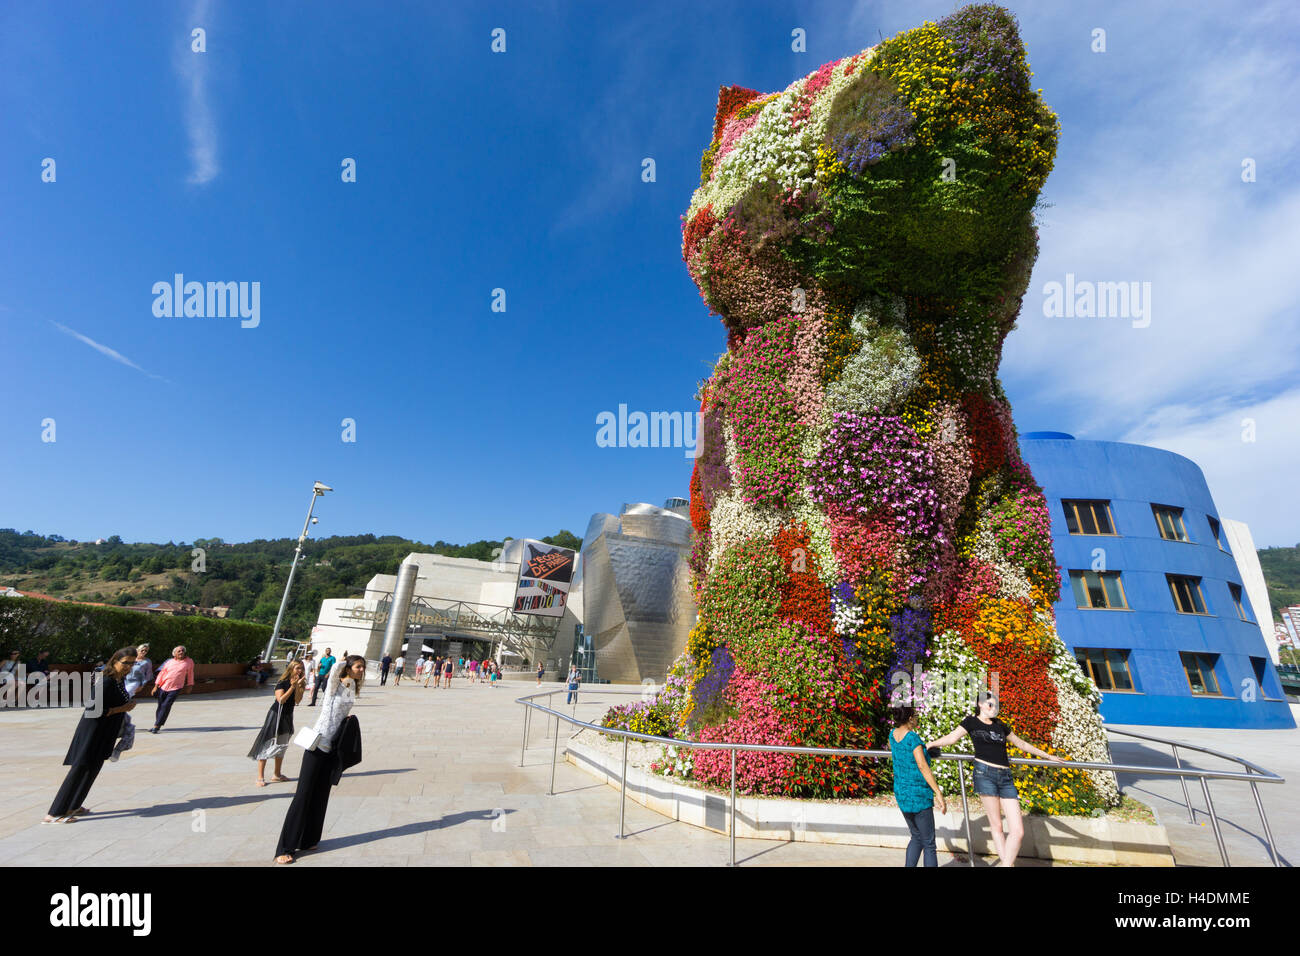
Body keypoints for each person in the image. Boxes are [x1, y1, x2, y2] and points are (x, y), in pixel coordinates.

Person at [929, 692, 1064, 867]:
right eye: (990, 705)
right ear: (980, 704)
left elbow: (1021, 744)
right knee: (997, 826)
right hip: (984, 774)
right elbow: (952, 738)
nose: (994, 709)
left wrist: (1048, 756)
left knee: (1018, 830)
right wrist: (931, 744)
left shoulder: (1000, 725)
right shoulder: (971, 722)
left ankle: (1006, 864)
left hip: (1006, 777)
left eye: (995, 705)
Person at [274, 655, 366, 864]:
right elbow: (334, 671)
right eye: (358, 667)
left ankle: (309, 839)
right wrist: (342, 661)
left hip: (333, 746)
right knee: (304, 793)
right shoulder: (334, 686)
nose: (362, 670)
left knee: (321, 793)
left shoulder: (351, 688)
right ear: (348, 668)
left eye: (363, 667)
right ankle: (285, 847)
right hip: (317, 744)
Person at [43, 647, 138, 823]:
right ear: (114, 662)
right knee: (79, 769)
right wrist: (122, 708)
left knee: (92, 769)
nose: (128, 667)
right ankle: (54, 813)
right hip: (93, 732)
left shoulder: (119, 680)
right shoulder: (107, 682)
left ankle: (74, 805)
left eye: (132, 663)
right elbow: (92, 710)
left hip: (105, 732)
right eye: (125, 663)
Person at [889, 705, 946, 867]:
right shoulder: (913, 739)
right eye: (915, 716)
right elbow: (922, 767)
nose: (916, 719)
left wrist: (925, 750)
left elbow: (905, 756)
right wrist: (938, 793)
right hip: (918, 795)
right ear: (909, 719)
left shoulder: (892, 735)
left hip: (902, 793)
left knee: (916, 836)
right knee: (929, 843)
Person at [250, 660, 306, 786]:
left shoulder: (300, 683)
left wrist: (298, 687)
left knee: (282, 744)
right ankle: (260, 777)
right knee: (267, 743)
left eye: (301, 668)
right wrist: (292, 686)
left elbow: (297, 700)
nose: (300, 670)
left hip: (287, 716)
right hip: (276, 715)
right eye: (297, 668)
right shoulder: (282, 682)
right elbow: (280, 700)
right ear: (291, 669)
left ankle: (277, 774)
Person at [149, 645, 195, 733]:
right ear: (174, 654)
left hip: (176, 688)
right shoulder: (169, 662)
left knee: (166, 705)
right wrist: (155, 686)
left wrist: (190, 685)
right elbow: (162, 673)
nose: (181, 652)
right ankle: (157, 724)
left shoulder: (189, 661)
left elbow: (190, 674)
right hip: (163, 686)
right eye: (179, 651)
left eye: (182, 651)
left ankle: (156, 725)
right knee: (160, 706)